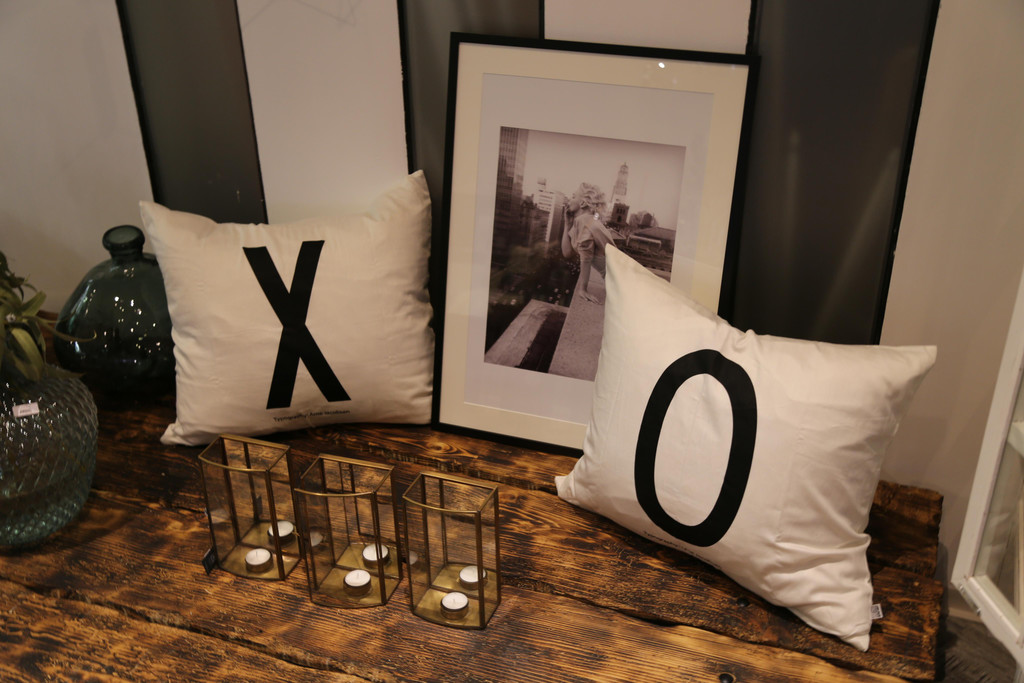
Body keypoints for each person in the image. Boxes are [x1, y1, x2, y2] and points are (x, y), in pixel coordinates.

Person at [561, 182, 618, 304]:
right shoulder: (586, 221)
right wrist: (567, 225)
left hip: (618, 283)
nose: (569, 199)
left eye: (573, 196)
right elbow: (567, 253)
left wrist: (583, 289)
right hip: (615, 281)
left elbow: (586, 260)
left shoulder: (585, 222)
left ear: (582, 203)